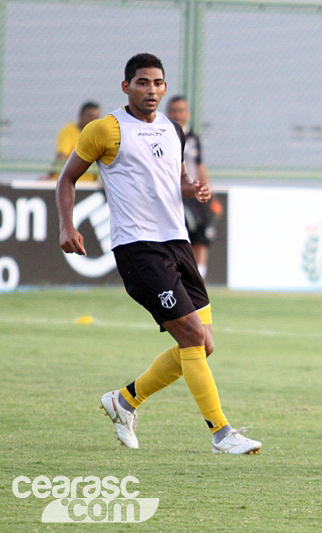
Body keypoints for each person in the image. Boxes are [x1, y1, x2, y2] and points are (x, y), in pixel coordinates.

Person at [56, 53, 261, 455]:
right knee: (190, 335)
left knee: (203, 344)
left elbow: (176, 179)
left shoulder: (173, 129)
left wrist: (193, 189)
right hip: (138, 247)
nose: (151, 90)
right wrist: (67, 225)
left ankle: (125, 400)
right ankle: (222, 433)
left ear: (165, 88)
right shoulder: (106, 130)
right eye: (142, 83)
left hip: (177, 243)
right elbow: (68, 178)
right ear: (126, 87)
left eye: (157, 83)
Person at [166, 95, 221, 279]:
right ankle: (176, 276)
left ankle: (199, 277)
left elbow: (199, 166)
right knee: (178, 238)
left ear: (187, 114)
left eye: (181, 111)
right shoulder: (162, 136)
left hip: (194, 193)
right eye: (174, 110)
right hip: (173, 194)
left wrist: (210, 194)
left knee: (200, 237)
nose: (177, 114)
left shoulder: (193, 139)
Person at [44, 101, 102, 181]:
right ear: (80, 116)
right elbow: (62, 156)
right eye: (89, 116)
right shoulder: (69, 130)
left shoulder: (99, 136)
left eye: (96, 117)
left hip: (88, 184)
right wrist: (50, 175)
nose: (92, 120)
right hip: (68, 182)